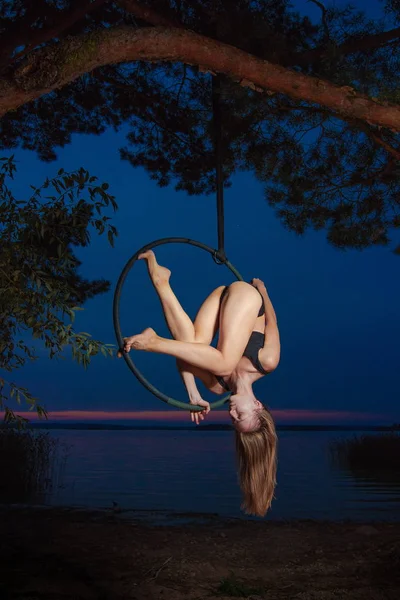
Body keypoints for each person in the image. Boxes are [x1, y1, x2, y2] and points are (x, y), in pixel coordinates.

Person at [118, 250, 281, 516]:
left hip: (220, 300)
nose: (230, 412)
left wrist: (192, 393)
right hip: (245, 296)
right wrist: (263, 290)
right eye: (239, 414)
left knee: (192, 344)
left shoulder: (217, 386)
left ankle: (162, 282)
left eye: (232, 418)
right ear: (257, 404)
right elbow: (272, 321)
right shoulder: (267, 361)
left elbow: (186, 359)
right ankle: (153, 342)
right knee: (224, 361)